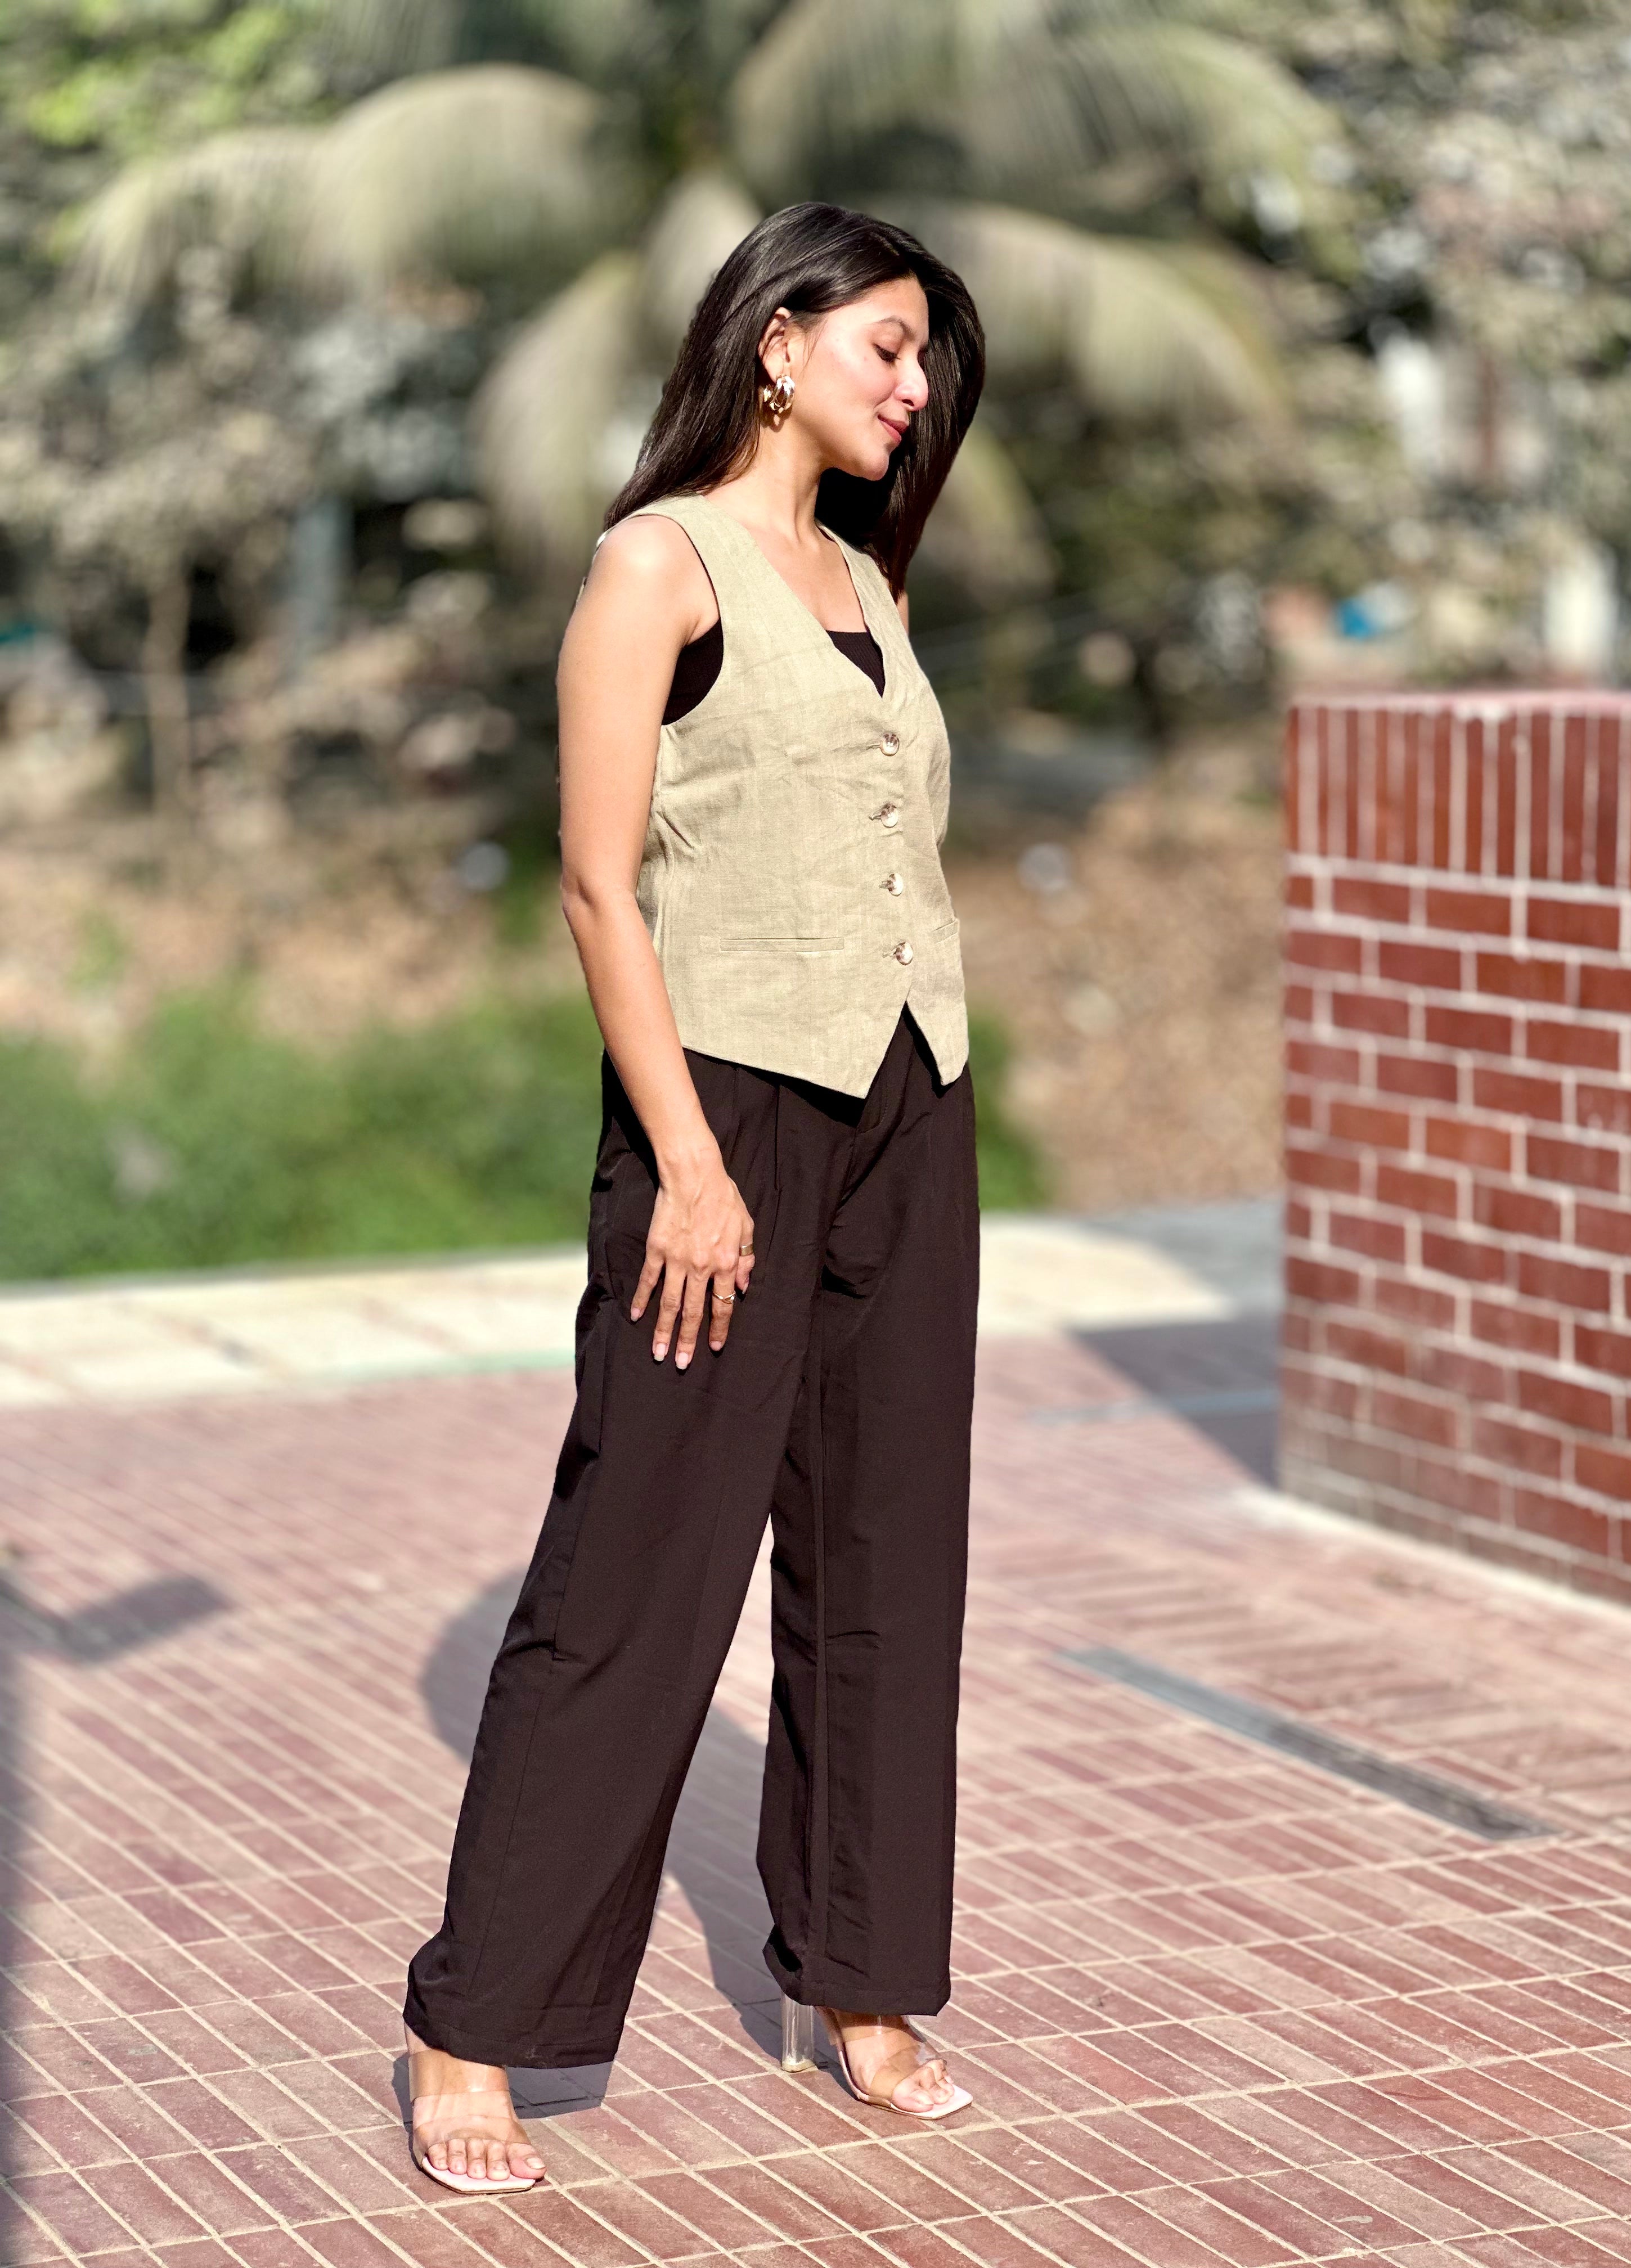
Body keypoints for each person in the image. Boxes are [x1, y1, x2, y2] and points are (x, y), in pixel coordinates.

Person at [401, 201, 987, 2193]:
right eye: (889, 348)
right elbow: (597, 882)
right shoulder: (656, 566)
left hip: (915, 1102)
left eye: (924, 362)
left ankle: (864, 1982)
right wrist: (688, 1164)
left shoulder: (862, 579)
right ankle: (476, 2025)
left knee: (890, 1568)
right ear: (778, 343)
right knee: (641, 1568)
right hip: (725, 1109)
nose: (914, 389)